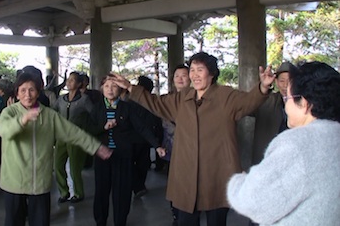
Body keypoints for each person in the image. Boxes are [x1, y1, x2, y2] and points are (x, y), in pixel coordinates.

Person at [110, 52, 274, 226]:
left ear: (211, 74)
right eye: (192, 70)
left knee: (216, 220)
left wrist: (263, 87)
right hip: (186, 172)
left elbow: (249, 102)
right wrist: (129, 87)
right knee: (186, 219)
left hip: (217, 171)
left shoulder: (226, 96)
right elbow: (156, 103)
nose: (194, 75)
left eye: (200, 70)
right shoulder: (183, 98)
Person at [227, 61, 340, 225]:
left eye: (288, 97)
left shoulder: (296, 144)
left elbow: (252, 200)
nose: (286, 103)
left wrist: (240, 182)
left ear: (305, 104)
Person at [0, 72, 112, 226]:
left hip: (40, 182)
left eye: (32, 90)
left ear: (38, 92)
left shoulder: (49, 115)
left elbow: (72, 132)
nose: (27, 95)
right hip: (15, 181)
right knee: (14, 222)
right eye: (23, 90)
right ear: (17, 93)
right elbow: (4, 130)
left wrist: (96, 147)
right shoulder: (10, 112)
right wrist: (23, 120)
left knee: (41, 222)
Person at [90, 74, 166, 226]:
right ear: (101, 89)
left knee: (122, 193)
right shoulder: (96, 108)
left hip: (123, 157)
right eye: (107, 86)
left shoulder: (127, 108)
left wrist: (156, 145)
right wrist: (103, 128)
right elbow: (88, 130)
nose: (110, 90)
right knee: (101, 193)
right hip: (102, 157)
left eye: (114, 86)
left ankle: (120, 222)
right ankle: (100, 221)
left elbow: (142, 128)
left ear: (120, 89)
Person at [53, 71, 93, 203]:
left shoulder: (84, 99)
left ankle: (78, 193)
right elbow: (53, 113)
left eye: (72, 80)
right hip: (61, 136)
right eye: (68, 80)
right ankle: (63, 192)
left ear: (79, 83)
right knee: (58, 165)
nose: (69, 82)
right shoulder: (61, 99)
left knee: (75, 167)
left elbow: (93, 115)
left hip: (76, 137)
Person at [161, 63, 191, 225]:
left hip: (190, 150)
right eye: (177, 76)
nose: (180, 79)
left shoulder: (197, 99)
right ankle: (176, 214)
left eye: (184, 76)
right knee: (174, 184)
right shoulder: (167, 100)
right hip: (171, 148)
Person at [251, 62, 295, 166]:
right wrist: (263, 87)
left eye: (290, 81)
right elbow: (248, 108)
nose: (285, 85)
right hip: (268, 159)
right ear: (276, 81)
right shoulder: (267, 100)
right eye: (281, 81)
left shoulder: (305, 103)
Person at [130, 75, 163, 199]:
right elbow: (157, 121)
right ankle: (140, 186)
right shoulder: (153, 101)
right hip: (146, 138)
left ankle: (138, 186)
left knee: (133, 163)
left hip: (135, 137)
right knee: (143, 163)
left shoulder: (131, 102)